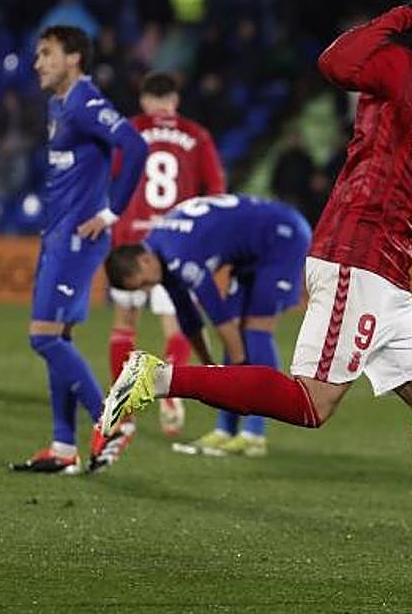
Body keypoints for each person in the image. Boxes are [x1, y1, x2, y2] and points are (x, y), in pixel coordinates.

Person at [102, 0, 412, 603]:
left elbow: (410, 203)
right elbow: (334, 63)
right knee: (312, 404)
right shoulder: (400, 69)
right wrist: (402, 16)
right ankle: (156, 378)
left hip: (391, 274)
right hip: (355, 259)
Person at [11, 25, 148, 475]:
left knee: (43, 336)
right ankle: (63, 447)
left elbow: (133, 143)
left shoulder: (86, 102)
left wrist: (111, 213)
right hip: (58, 234)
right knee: (59, 338)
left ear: (74, 58)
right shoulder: (59, 104)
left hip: (78, 237)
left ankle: (112, 419)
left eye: (46, 53)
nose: (37, 63)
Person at [105, 194, 310, 459]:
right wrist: (212, 371)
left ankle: (253, 435)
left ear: (144, 262)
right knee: (236, 331)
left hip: (282, 237)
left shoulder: (181, 257)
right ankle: (225, 430)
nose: (148, 289)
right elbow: (189, 318)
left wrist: (236, 367)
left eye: (143, 283)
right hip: (252, 248)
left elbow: (218, 314)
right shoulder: (158, 253)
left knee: (254, 329)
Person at [108, 72, 226, 439]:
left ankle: (122, 407)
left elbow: (110, 182)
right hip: (174, 243)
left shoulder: (128, 130)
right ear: (175, 100)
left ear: (144, 100)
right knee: (175, 325)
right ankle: (168, 390)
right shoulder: (196, 134)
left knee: (124, 322)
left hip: (130, 240)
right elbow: (216, 191)